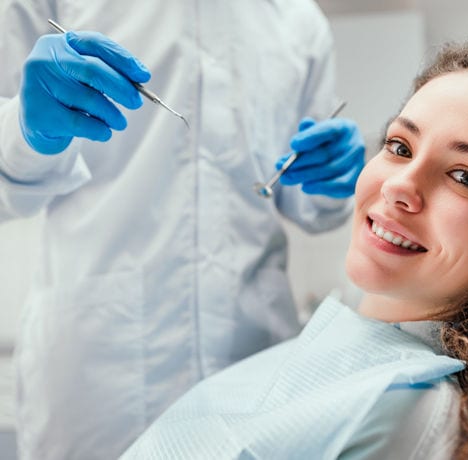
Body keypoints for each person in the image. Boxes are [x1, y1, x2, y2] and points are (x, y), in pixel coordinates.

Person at [118, 39, 468, 460]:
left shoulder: (396, 411)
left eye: (466, 177)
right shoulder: (363, 368)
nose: (400, 185)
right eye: (400, 146)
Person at [0, 2, 365, 459]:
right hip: (97, 384)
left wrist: (331, 179)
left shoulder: (298, 19)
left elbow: (308, 206)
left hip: (253, 361)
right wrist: (25, 130)